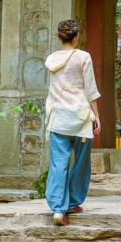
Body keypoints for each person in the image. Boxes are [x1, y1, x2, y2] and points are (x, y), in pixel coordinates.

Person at [44, 19, 101, 226]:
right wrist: (96, 116)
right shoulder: (83, 57)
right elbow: (90, 89)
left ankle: (59, 209)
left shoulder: (51, 59)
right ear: (76, 37)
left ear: (59, 37)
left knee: (58, 163)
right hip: (80, 116)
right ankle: (73, 201)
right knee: (81, 162)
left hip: (58, 116)